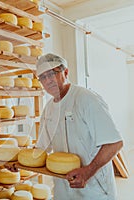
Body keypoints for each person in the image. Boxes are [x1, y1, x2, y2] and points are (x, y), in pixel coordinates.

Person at [35, 53, 123, 200]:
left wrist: (88, 171)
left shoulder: (86, 99)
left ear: (66, 72)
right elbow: (42, 148)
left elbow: (114, 143)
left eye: (52, 73)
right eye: (43, 77)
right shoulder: (48, 109)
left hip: (94, 190)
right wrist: (18, 164)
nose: (48, 80)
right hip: (63, 190)